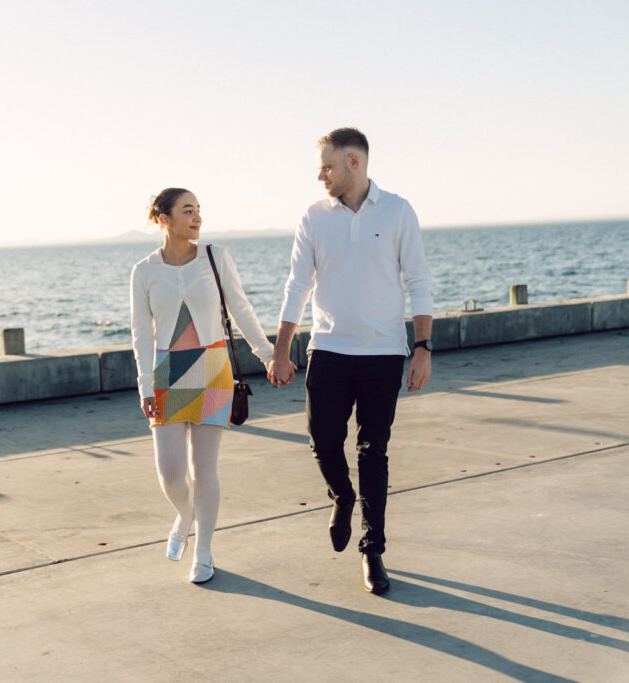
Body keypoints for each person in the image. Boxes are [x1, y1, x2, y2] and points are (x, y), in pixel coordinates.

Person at [268, 128, 433, 595]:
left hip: (383, 353)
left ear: (354, 162)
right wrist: (282, 349)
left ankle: (373, 549)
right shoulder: (315, 217)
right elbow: (297, 286)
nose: (320, 174)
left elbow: (419, 281)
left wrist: (422, 348)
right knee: (323, 441)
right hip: (329, 350)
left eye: (328, 166)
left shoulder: (399, 211)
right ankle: (341, 495)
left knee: (373, 453)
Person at [130, 188, 275, 584]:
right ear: (164, 219)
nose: (197, 218)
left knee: (204, 469)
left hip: (213, 370)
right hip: (167, 375)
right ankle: (184, 514)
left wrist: (267, 354)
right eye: (187, 211)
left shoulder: (216, 258)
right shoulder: (144, 271)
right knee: (171, 474)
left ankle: (204, 550)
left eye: (199, 211)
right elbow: (141, 334)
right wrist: (145, 385)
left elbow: (241, 309)